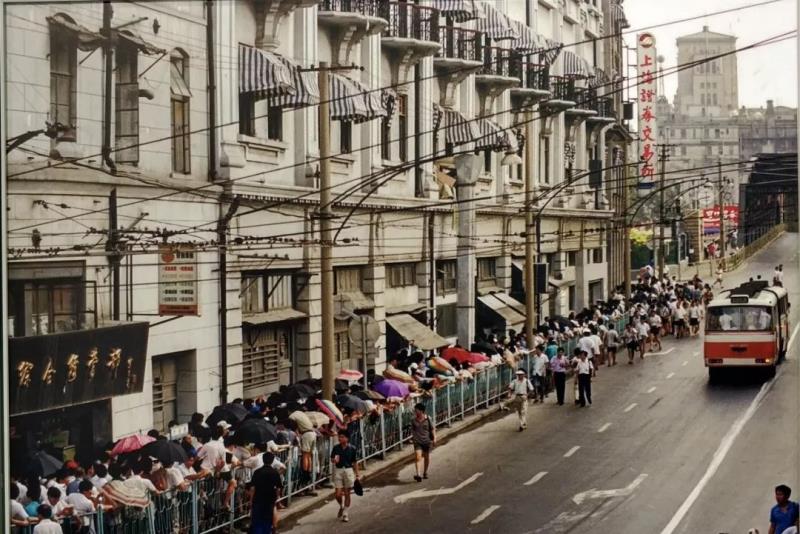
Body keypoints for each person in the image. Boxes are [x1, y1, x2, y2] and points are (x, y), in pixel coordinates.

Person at [247, 452, 282, 534]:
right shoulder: (275, 473)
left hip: (258, 499)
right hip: (270, 500)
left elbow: (252, 488)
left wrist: (251, 500)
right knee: (267, 521)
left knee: (257, 521)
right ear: (272, 461)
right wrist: (276, 497)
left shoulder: (257, 472)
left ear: (263, 460)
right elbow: (278, 488)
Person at [331, 430, 360, 522]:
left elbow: (355, 462)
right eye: (339, 437)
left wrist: (357, 474)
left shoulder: (352, 448)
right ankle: (341, 506)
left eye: (342, 437)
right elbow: (332, 459)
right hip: (338, 470)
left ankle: (345, 513)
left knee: (347, 493)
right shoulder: (336, 448)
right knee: (337, 494)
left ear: (347, 438)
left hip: (348, 470)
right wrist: (334, 460)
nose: (340, 438)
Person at [410, 403, 435, 482]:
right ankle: (418, 475)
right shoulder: (413, 420)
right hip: (417, 442)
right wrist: (413, 438)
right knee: (418, 457)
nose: (415, 411)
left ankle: (425, 472)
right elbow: (413, 430)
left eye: (416, 410)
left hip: (426, 441)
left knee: (426, 457)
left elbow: (432, 429)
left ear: (421, 411)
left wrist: (434, 438)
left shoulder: (428, 419)